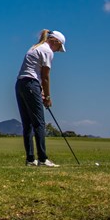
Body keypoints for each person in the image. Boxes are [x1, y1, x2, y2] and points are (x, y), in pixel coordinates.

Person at [14, 29, 67, 167]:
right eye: (59, 47)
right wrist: (47, 96)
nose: (57, 50)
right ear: (55, 41)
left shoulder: (35, 47)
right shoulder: (47, 51)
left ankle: (30, 159)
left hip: (20, 84)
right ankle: (43, 159)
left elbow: (35, 73)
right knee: (39, 123)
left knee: (27, 124)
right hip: (31, 84)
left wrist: (41, 91)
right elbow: (45, 77)